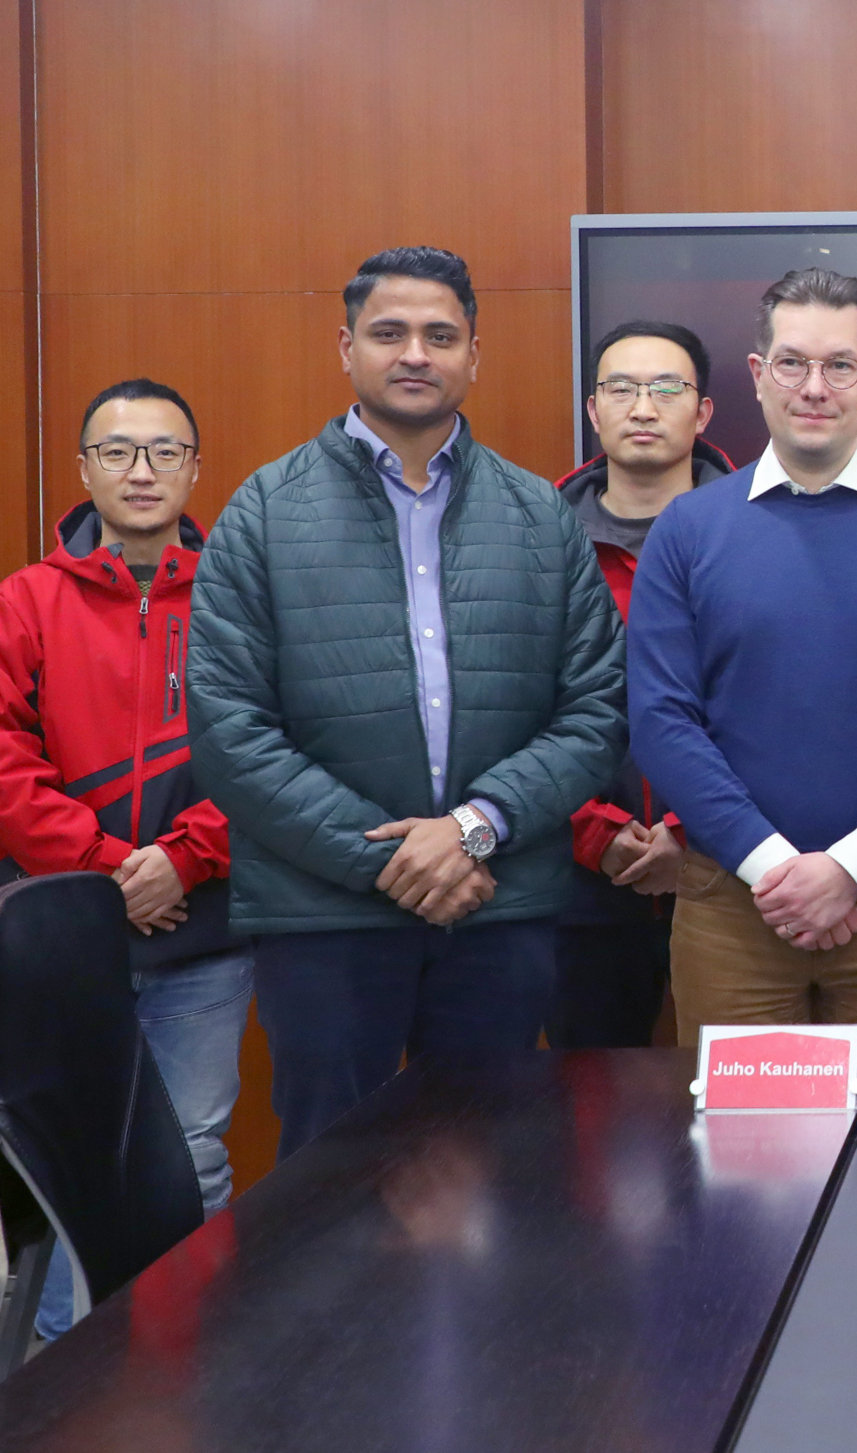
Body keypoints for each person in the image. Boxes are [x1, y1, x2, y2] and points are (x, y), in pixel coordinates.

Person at [190, 246, 626, 1158]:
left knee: (489, 1168)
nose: (416, 353)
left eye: (440, 335)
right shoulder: (263, 512)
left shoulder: (540, 515)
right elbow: (231, 730)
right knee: (328, 1176)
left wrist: (471, 829)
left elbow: (595, 710)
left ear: (475, 354)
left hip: (495, 904)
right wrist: (391, 858)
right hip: (324, 916)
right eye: (389, 333)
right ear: (346, 347)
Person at [627, 268, 857, 1065]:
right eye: (792, 363)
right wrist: (776, 869)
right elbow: (662, 719)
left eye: (839, 365)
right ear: (759, 374)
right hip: (733, 902)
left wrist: (851, 869)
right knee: (743, 1138)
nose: (815, 387)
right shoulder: (687, 530)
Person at [0, 378, 247, 1339]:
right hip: (60, 930)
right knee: (71, 1164)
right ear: (83, 469)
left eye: (165, 451)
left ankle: (183, 1356)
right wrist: (108, 865)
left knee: (191, 1150)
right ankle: (75, 1370)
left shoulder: (243, 597)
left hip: (204, 930)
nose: (141, 471)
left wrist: (186, 858)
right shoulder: (23, 602)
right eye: (118, 451)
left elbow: (280, 749)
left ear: (195, 469)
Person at [550, 320, 736, 1048]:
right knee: (588, 1098)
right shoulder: (539, 538)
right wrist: (592, 830)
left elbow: (783, 704)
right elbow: (507, 708)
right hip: (579, 878)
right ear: (593, 410)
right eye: (621, 388)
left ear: (703, 410)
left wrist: (694, 831)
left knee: (740, 1096)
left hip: (735, 869)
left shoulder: (759, 529)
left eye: (667, 387)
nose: (643, 407)